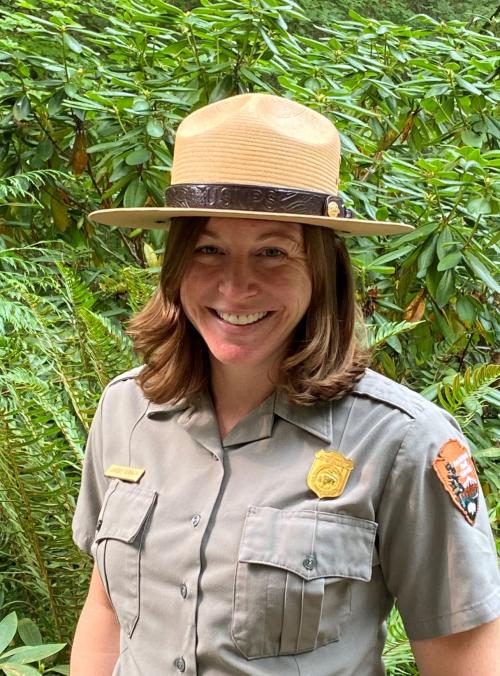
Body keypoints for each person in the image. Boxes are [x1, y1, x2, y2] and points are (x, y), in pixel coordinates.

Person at [70, 93, 500, 676]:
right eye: (209, 249)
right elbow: (108, 608)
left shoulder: (402, 442)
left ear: (321, 271)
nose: (235, 285)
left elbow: (466, 662)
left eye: (273, 252)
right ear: (175, 263)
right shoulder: (128, 409)